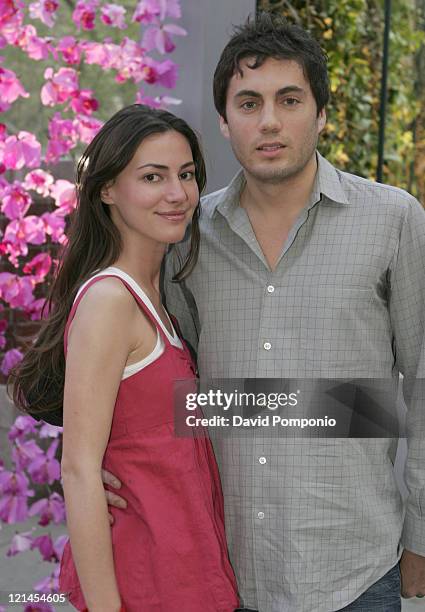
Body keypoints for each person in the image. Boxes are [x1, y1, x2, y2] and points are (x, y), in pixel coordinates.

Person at [103, 13, 425, 612]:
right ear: (224, 122)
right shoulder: (186, 237)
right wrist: (103, 462)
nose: (270, 121)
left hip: (355, 570)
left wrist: (423, 537)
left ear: (322, 113)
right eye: (248, 103)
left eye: (290, 99)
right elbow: (174, 383)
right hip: (224, 569)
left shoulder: (394, 220)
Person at [10, 105, 239, 612]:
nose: (177, 194)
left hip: (184, 571)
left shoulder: (159, 296)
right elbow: (78, 470)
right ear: (107, 189)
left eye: (186, 175)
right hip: (144, 582)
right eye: (152, 177)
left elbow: (160, 431)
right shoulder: (110, 300)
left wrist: (345, 410)